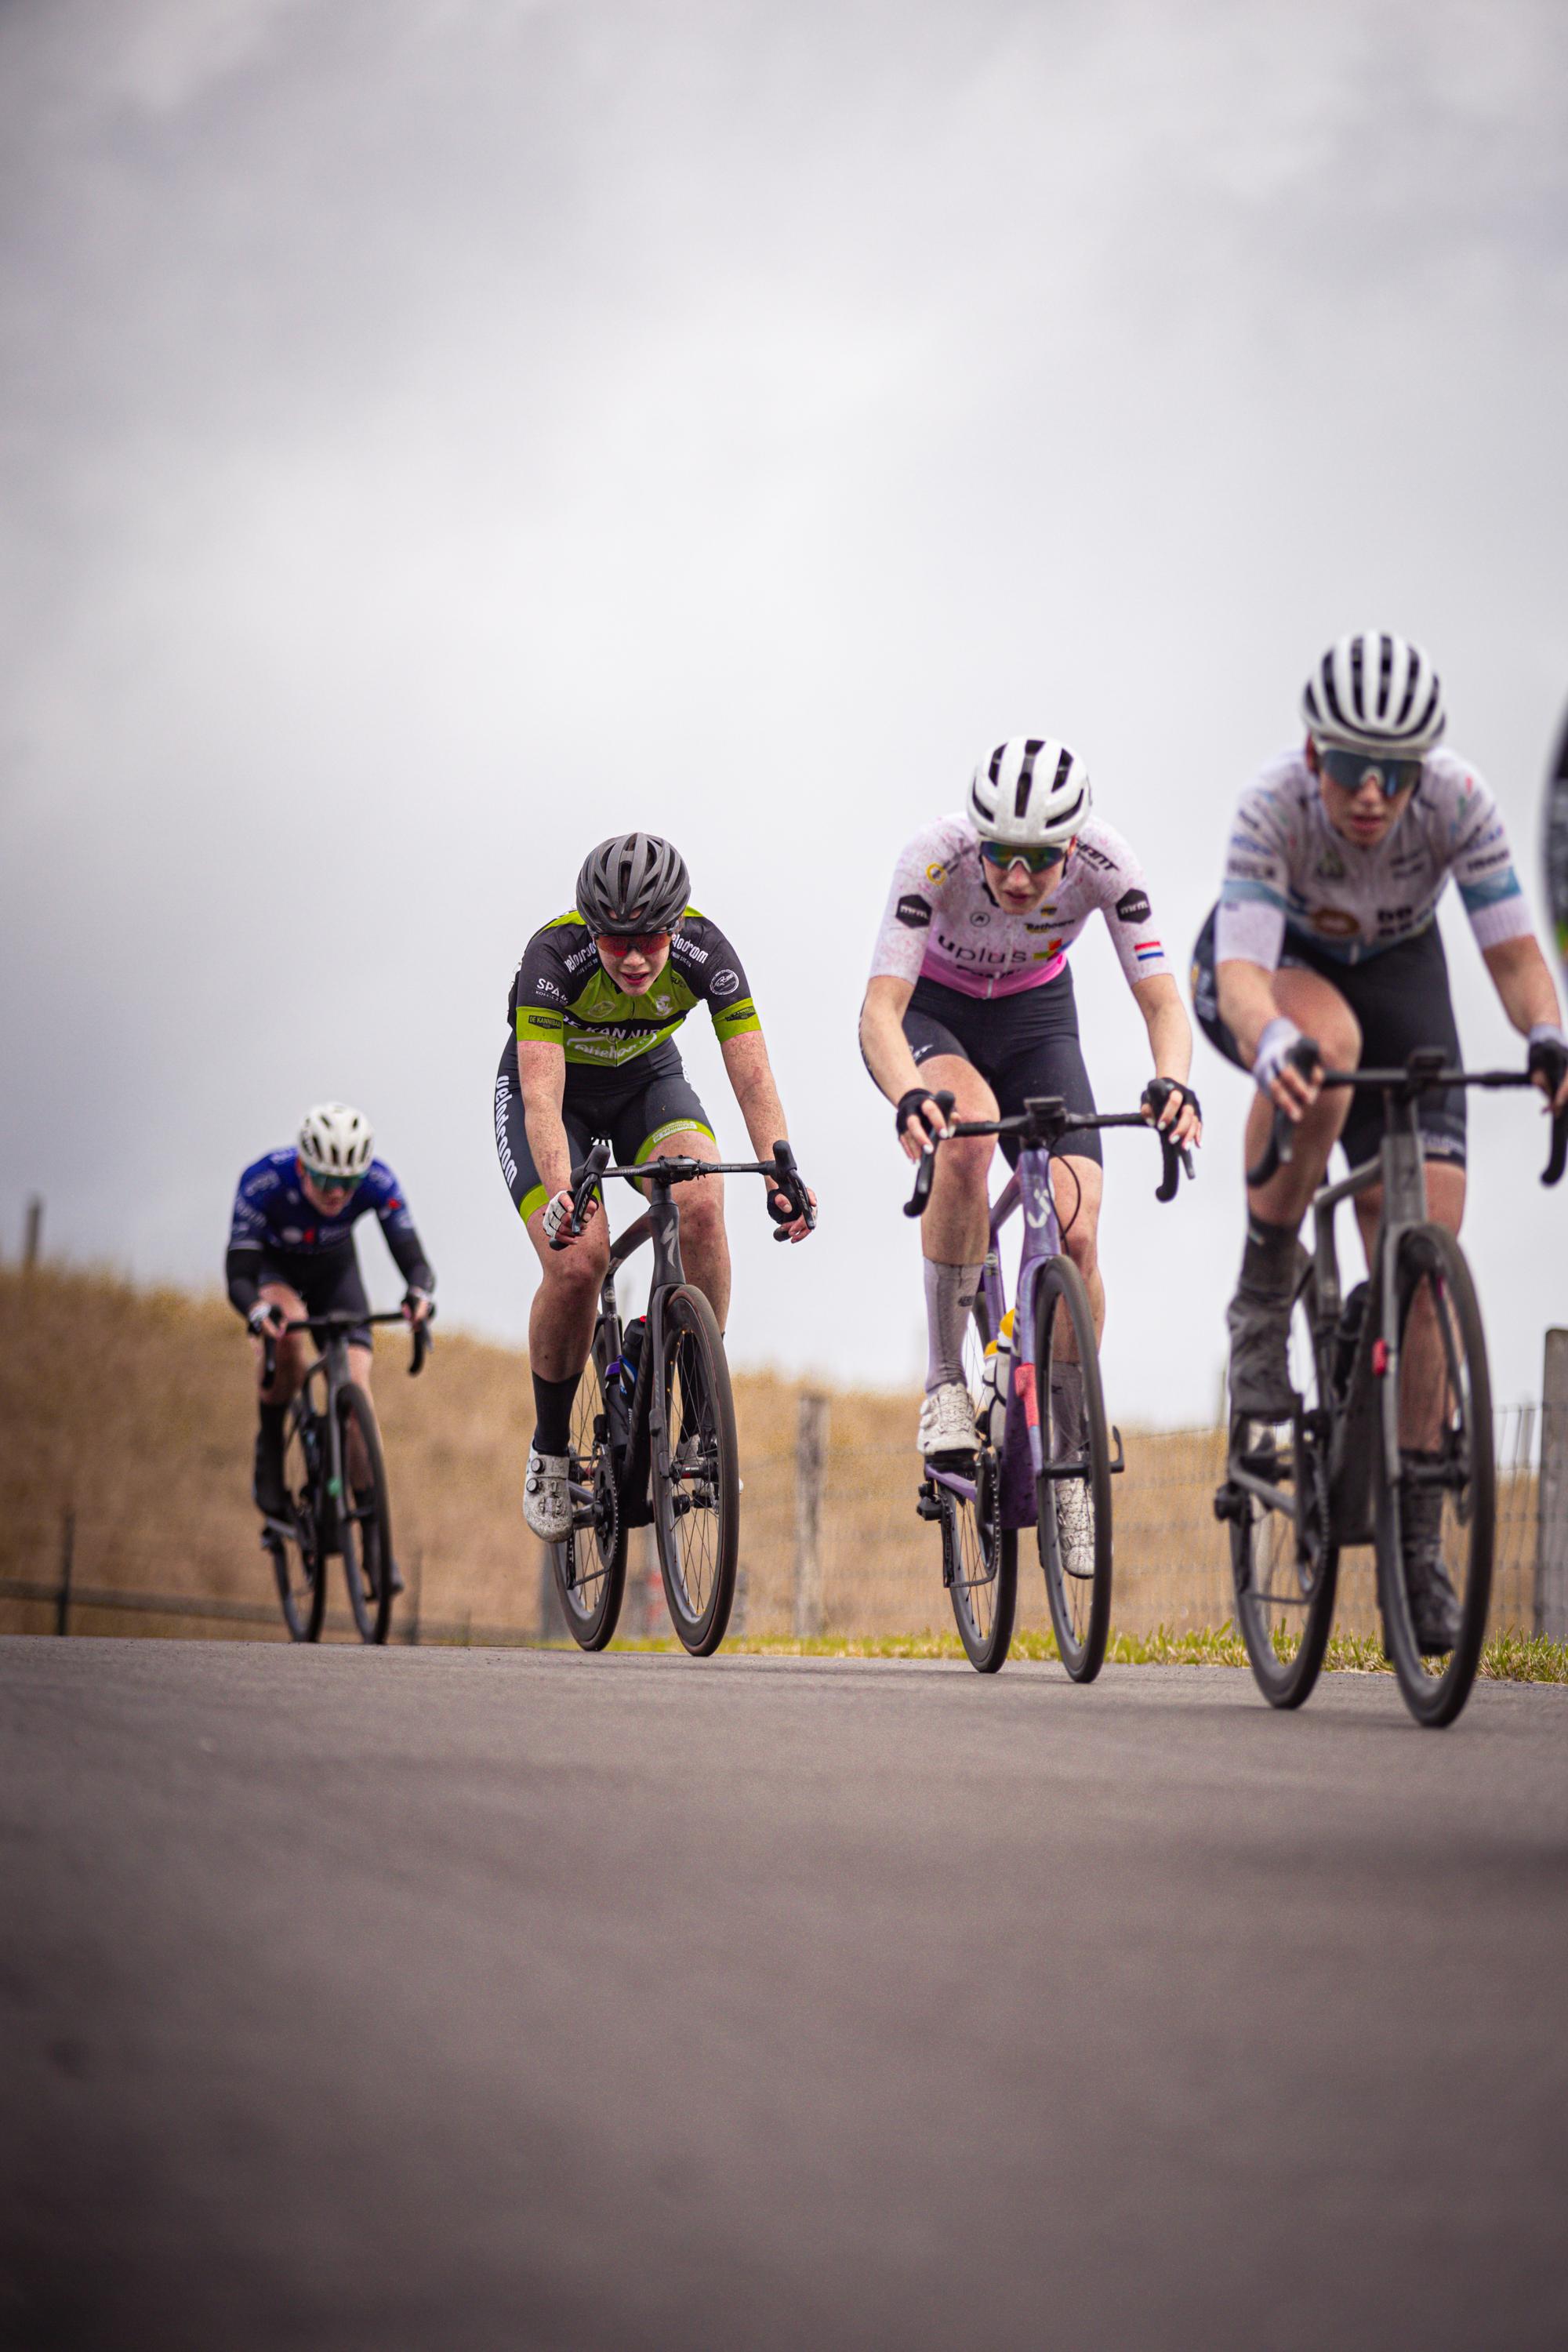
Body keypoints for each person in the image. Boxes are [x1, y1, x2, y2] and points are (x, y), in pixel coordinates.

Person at [1193, 629, 1568, 1646]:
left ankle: (1416, 1552)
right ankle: (1265, 1295)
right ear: (1316, 758)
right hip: (1278, 966)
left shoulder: (1459, 802)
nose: (1372, 793)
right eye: (1352, 768)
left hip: (1406, 973)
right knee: (1327, 1047)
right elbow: (1238, 976)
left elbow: (1517, 953)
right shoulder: (1273, 805)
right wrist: (1266, 1035)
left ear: (1423, 770)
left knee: (1423, 1254)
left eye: (1394, 772)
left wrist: (1547, 1035)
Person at [858, 736, 1202, 1496]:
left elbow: (1161, 1002)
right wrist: (908, 1095)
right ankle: (947, 1383)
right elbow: (879, 1010)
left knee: (1078, 1228)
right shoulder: (932, 858)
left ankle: (1071, 1453)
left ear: (1072, 847)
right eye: (1000, 854)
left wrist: (1170, 1083)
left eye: (1039, 860)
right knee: (966, 1135)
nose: (1016, 877)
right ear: (976, 839)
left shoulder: (1108, 865)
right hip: (936, 1013)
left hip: (1035, 1019)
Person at [496, 832, 815, 1542]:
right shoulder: (552, 958)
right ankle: (550, 1451)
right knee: (579, 1260)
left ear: (676, 926)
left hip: (647, 1080)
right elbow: (542, 1101)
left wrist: (780, 1167)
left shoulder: (708, 950)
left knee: (702, 1201)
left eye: (651, 939)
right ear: (592, 930)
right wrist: (564, 1196)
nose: (636, 957)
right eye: (617, 942)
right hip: (556, 1099)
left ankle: (700, 1415)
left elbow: (753, 1074)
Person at [227, 1103, 436, 1530]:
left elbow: (416, 1263)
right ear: (302, 1168)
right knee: (287, 1338)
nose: (336, 1194)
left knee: (357, 1388)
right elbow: (239, 1277)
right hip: (275, 1270)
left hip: (334, 1271)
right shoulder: (263, 1181)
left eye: (347, 1183)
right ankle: (270, 1445)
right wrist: (256, 1310)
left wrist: (418, 1296)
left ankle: (373, 1523)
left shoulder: (378, 1180)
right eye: (324, 1180)